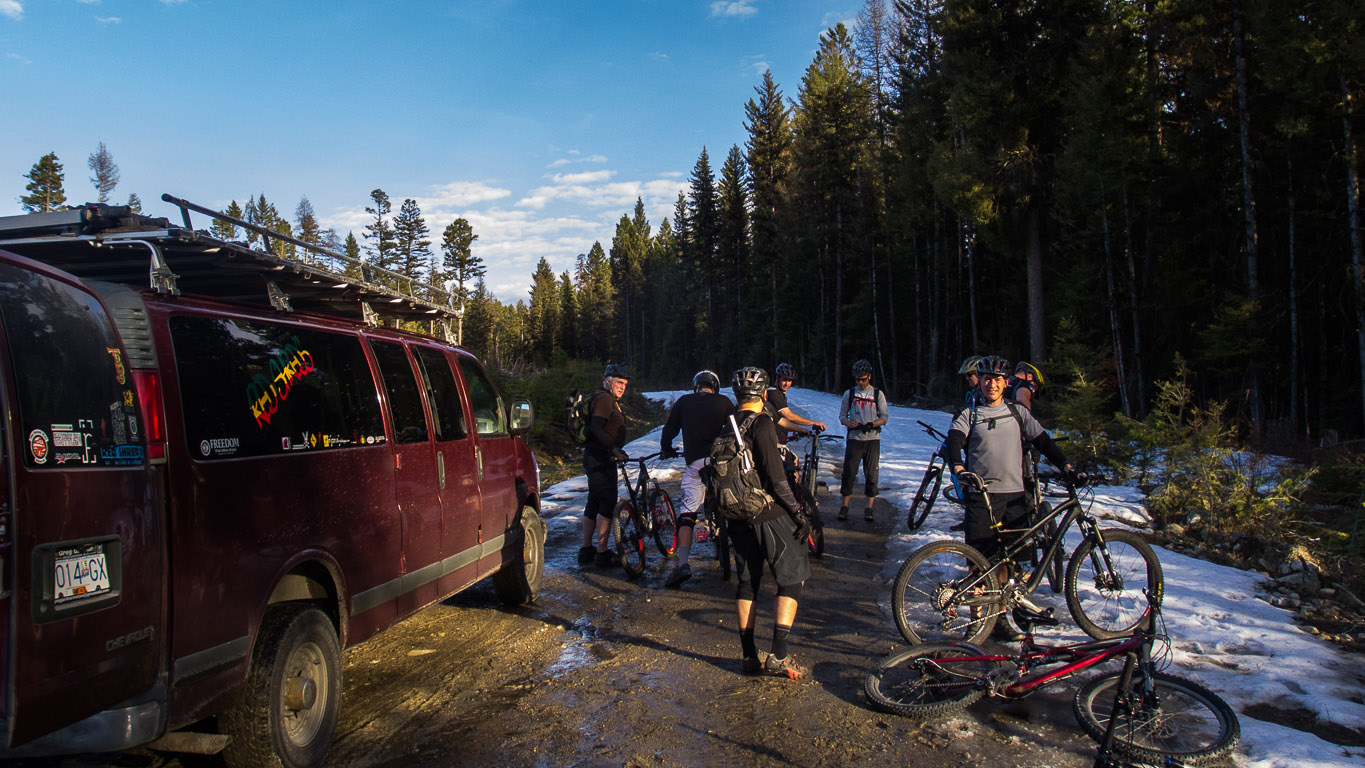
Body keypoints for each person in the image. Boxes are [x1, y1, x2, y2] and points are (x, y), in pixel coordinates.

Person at [944, 355, 1073, 640]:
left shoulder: (1017, 413)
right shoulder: (969, 413)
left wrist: (1065, 465)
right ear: (980, 381)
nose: (991, 384)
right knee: (979, 562)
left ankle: (1000, 618)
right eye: (987, 379)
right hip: (981, 496)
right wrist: (959, 467)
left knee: (1008, 562)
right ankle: (977, 622)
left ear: (1005, 384)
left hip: (1015, 496)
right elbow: (954, 441)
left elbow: (1043, 441)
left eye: (997, 380)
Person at [725, 366, 812, 679]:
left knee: (747, 582)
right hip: (763, 510)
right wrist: (797, 513)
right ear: (763, 394)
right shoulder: (761, 422)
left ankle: (749, 655)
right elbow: (776, 479)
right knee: (793, 576)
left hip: (735, 513)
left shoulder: (729, 423)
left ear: (737, 394)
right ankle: (778, 654)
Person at [659, 369, 735, 587]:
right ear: (715, 387)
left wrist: (666, 449)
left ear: (696, 386)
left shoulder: (684, 402)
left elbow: (668, 430)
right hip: (721, 463)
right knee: (736, 501)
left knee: (688, 513)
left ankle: (683, 563)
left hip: (696, 464)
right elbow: (736, 430)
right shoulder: (724, 402)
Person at [579, 363, 630, 568]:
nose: (622, 387)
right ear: (608, 381)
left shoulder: (604, 398)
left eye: (625, 384)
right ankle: (602, 553)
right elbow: (596, 427)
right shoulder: (605, 399)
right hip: (600, 458)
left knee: (594, 501)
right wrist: (613, 449)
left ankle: (586, 550)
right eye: (619, 382)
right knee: (607, 502)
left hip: (596, 456)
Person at [838, 359, 889, 522]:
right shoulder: (849, 394)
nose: (860, 382)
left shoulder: (877, 394)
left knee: (872, 474)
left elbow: (884, 417)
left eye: (863, 379)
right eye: (857, 379)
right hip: (855, 438)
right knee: (849, 473)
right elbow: (842, 416)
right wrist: (848, 423)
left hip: (872, 439)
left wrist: (873, 424)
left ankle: (869, 508)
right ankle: (844, 507)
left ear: (869, 377)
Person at [766, 362, 827, 442]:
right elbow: (789, 415)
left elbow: (779, 418)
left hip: (779, 439)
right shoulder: (774, 393)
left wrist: (795, 428)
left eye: (789, 380)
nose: (787, 384)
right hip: (773, 440)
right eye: (784, 380)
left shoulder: (779, 394)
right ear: (777, 378)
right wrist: (813, 422)